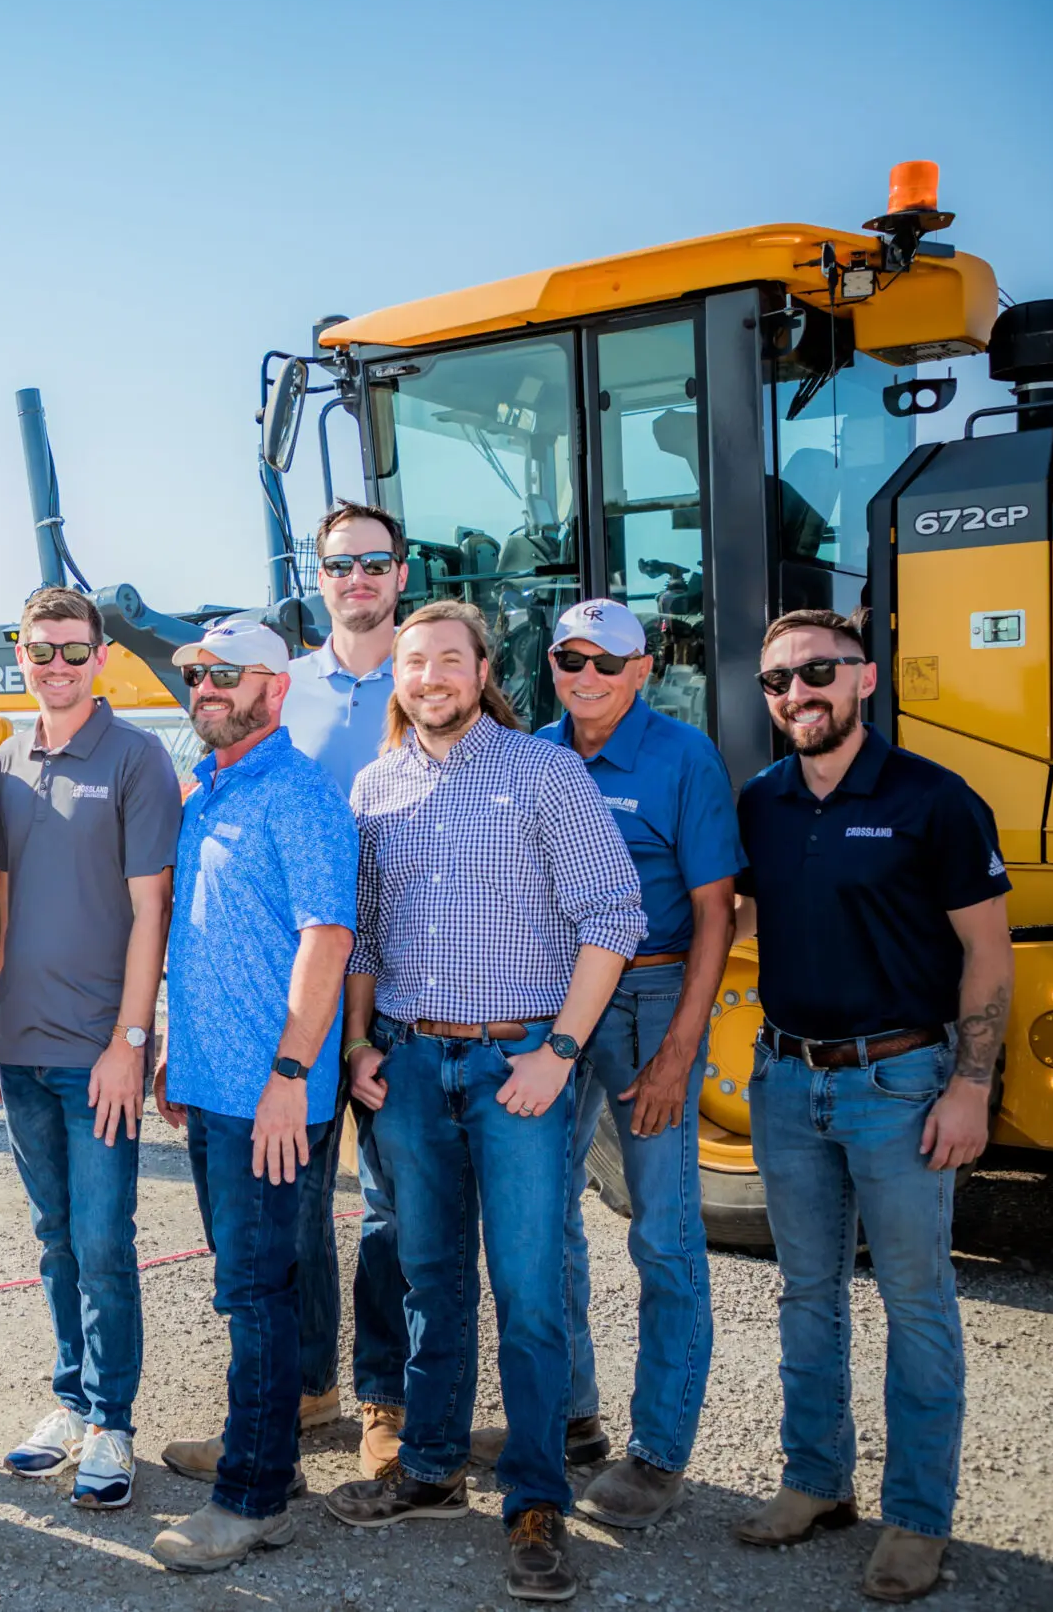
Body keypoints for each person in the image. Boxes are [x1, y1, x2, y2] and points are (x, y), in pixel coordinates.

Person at [323, 599, 644, 1606]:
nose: (429, 678)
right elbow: (365, 939)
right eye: (413, 663)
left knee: (528, 1291)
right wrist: (363, 1045)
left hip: (520, 1070)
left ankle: (535, 1500)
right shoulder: (374, 788)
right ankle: (426, 1469)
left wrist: (558, 1051)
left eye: (448, 661)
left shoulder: (540, 772)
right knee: (428, 1282)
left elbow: (615, 915)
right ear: (398, 677)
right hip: (414, 1070)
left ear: (480, 671)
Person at [730, 609, 1008, 1606]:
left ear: (864, 678)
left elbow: (986, 949)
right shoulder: (760, 799)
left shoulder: (934, 800)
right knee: (806, 1295)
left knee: (916, 1304)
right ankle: (815, 1483)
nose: (795, 694)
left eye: (815, 673)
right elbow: (754, 912)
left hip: (899, 1086)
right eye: (776, 682)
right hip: (785, 1078)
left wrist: (970, 1086)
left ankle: (918, 1519)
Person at [497, 599, 741, 1528]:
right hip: (553, 1001)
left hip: (646, 1000)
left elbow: (717, 913)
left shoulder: (683, 758)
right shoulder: (530, 753)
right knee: (543, 1221)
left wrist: (682, 1045)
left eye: (607, 661)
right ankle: (572, 1418)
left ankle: (659, 1453)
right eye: (569, 657)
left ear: (643, 669)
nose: (586, 675)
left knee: (663, 1233)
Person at [145, 615, 357, 1575]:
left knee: (258, 1293)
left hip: (269, 1098)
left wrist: (287, 1077)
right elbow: (209, 934)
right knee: (248, 1288)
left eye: (225, 673)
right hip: (212, 1084)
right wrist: (176, 1052)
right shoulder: (208, 790)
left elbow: (327, 940)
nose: (205, 686)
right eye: (196, 673)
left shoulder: (299, 795)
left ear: (275, 687)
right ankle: (260, 1442)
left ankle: (253, 1495)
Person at [0, 586, 181, 1513]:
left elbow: (152, 909)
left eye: (71, 650)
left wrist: (129, 1040)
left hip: (100, 1050)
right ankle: (68, 1398)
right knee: (55, 1238)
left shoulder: (136, 758)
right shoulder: (6, 760)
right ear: (22, 654)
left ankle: (112, 1422)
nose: (55, 664)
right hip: (20, 1045)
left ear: (101, 657)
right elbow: (5, 905)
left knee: (103, 1241)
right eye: (40, 649)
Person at [278, 498, 412, 1473]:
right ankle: (308, 1386)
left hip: (413, 987)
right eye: (337, 566)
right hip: (309, 989)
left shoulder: (440, 677)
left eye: (373, 563)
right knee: (297, 1200)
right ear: (314, 578)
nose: (355, 579)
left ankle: (385, 1400)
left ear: (401, 573)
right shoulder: (278, 693)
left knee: (393, 1206)